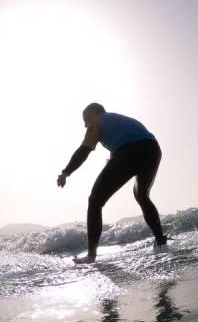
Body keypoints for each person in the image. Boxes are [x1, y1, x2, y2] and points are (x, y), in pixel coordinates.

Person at [57, 103, 168, 264]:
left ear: (95, 113)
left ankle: (91, 256)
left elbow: (84, 151)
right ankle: (161, 243)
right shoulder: (120, 119)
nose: (85, 125)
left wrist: (66, 172)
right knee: (142, 195)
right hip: (152, 148)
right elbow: (130, 138)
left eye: (86, 119)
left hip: (128, 151)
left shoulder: (97, 122)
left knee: (95, 201)